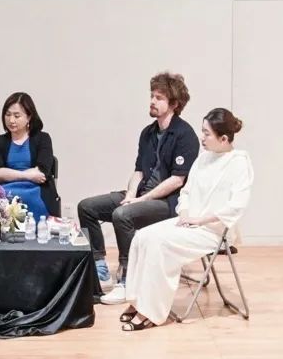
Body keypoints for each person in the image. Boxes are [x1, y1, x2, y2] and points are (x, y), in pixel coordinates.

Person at [119, 108, 253, 331]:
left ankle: (151, 311)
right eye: (202, 131)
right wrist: (184, 214)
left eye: (207, 133)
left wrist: (200, 220)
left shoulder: (239, 163)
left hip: (212, 231)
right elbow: (187, 192)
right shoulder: (203, 158)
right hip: (189, 222)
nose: (202, 137)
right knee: (142, 236)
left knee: (159, 244)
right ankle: (138, 301)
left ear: (223, 139)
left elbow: (236, 205)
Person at [78, 72, 200, 303]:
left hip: (169, 203)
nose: (152, 101)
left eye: (159, 98)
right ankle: (100, 267)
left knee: (122, 215)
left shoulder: (185, 135)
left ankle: (127, 278)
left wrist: (140, 201)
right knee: (87, 207)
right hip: (142, 195)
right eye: (152, 96)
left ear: (174, 104)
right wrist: (131, 194)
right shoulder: (148, 133)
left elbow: (177, 180)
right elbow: (138, 171)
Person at [0, 92, 60, 219]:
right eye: (8, 115)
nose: (11, 120)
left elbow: (42, 173)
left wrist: (10, 174)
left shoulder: (43, 138)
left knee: (31, 200)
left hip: (36, 191)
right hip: (6, 194)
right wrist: (27, 175)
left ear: (29, 117)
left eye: (17, 116)